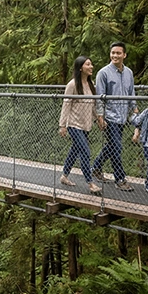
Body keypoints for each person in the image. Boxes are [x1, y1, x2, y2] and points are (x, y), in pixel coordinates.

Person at [92, 42, 138, 192]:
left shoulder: (129, 73)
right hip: (109, 117)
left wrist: (134, 108)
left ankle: (96, 168)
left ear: (124, 55)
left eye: (118, 53)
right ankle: (120, 179)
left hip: (122, 116)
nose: (115, 55)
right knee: (116, 147)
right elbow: (99, 97)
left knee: (112, 146)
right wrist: (100, 117)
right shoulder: (103, 73)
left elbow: (131, 92)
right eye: (113, 53)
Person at [58, 56, 102, 194]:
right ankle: (90, 183)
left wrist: (98, 118)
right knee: (85, 151)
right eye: (88, 64)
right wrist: (62, 125)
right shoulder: (72, 85)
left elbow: (93, 105)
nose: (91, 67)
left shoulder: (91, 84)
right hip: (74, 124)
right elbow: (66, 104)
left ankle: (64, 176)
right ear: (80, 68)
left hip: (86, 124)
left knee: (75, 150)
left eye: (91, 64)